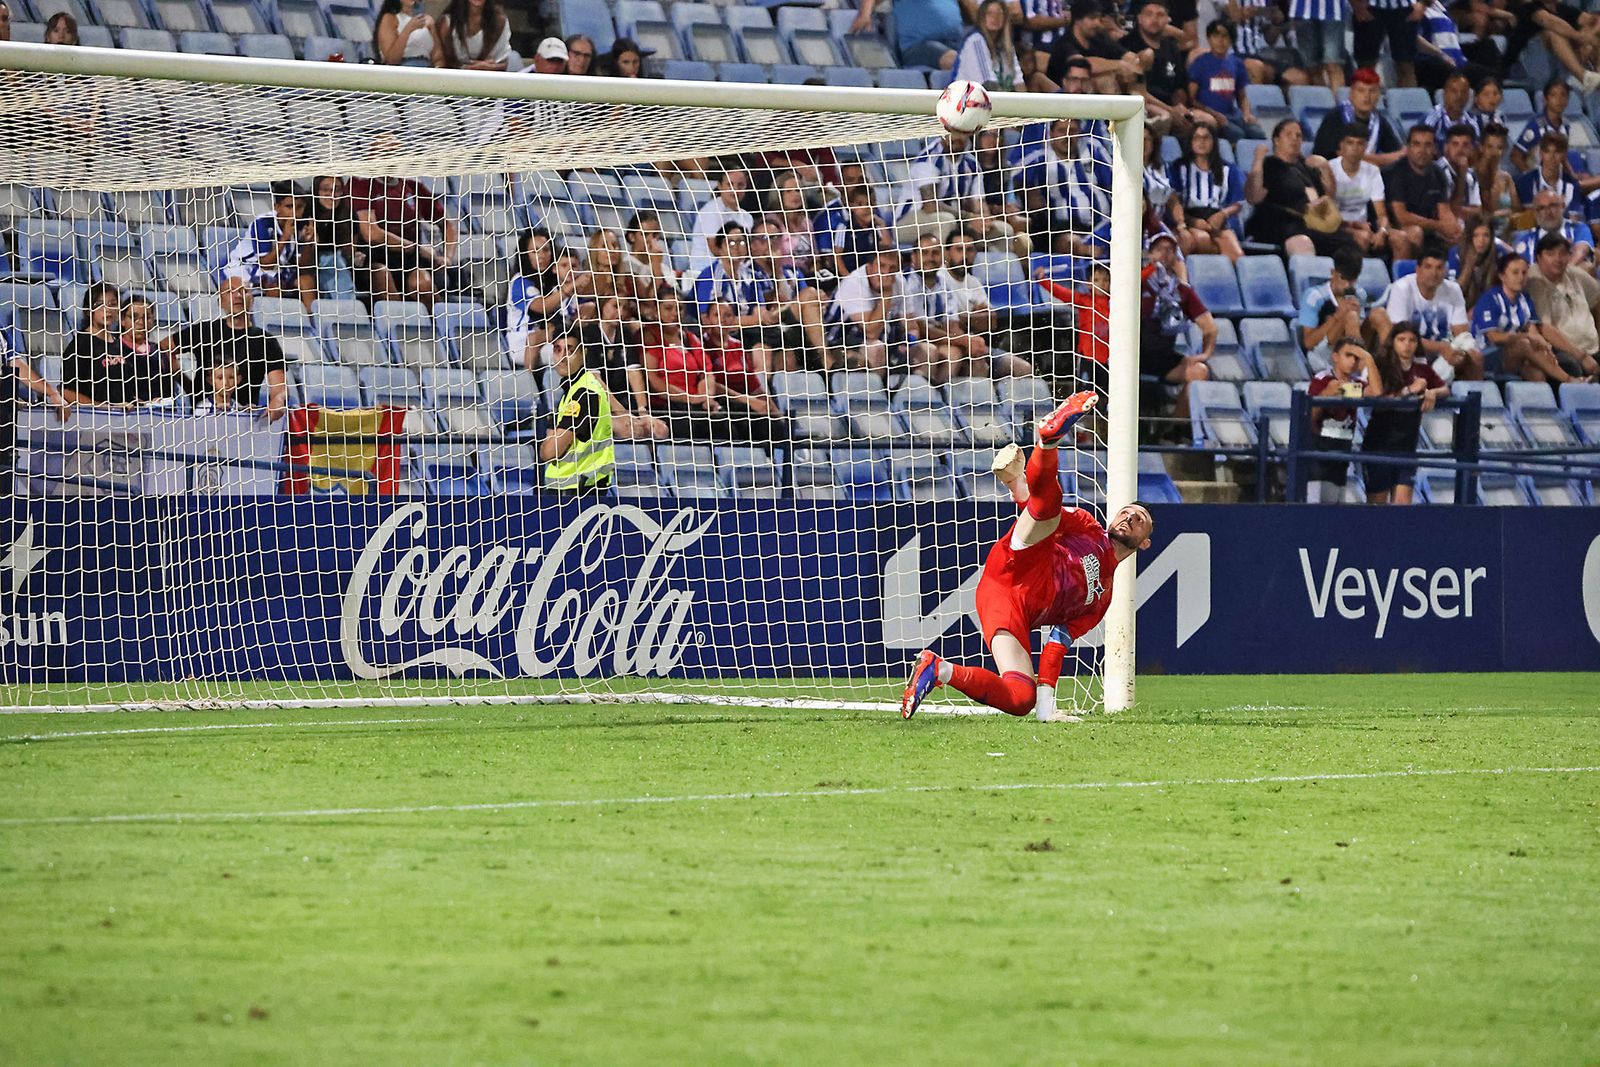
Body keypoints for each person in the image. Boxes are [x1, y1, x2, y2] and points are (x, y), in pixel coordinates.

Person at [899, 392, 1153, 720]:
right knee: (1047, 508)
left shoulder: (1102, 600)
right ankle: (1048, 441)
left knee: (1021, 699)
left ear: (1143, 543)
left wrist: (1046, 709)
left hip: (1006, 606)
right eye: (1126, 512)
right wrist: (1019, 488)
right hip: (1021, 562)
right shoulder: (1088, 527)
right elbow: (1039, 514)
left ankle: (939, 670)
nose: (1129, 517)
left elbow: (1055, 647)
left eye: (1140, 520)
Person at [164, 277, 289, 420]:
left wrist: (278, 401)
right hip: (203, 419)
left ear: (252, 300)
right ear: (220, 302)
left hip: (244, 421)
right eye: (230, 291)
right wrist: (186, 383)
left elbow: (279, 388)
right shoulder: (204, 331)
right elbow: (163, 348)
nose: (238, 295)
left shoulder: (266, 341)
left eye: (244, 291)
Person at [1473, 250, 1590, 383]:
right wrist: (1525, 337)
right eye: (1515, 273)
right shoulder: (1489, 299)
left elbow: (1533, 332)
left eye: (1524, 272)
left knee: (1537, 374)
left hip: (1516, 354)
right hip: (1487, 355)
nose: (1521, 277)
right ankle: (1570, 380)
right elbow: (1494, 337)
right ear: (1502, 276)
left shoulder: (1525, 299)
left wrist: (1545, 347)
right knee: (1524, 343)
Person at [1363, 322, 1447, 504]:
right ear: (1393, 342)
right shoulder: (1381, 366)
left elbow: (1445, 388)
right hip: (1380, 445)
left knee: (1403, 503)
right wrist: (1409, 391)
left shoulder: (1423, 369)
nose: (1407, 345)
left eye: (1412, 340)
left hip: (1407, 446)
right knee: (1377, 503)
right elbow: (1380, 398)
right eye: (1402, 340)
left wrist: (1433, 392)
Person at [349, 174, 460, 307]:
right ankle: (397, 325)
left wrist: (446, 257)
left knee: (422, 284)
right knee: (382, 276)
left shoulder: (413, 185)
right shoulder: (359, 183)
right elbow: (372, 234)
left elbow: (448, 225)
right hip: (373, 257)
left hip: (409, 258)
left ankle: (438, 325)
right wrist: (416, 248)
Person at [1245, 118, 1350, 258]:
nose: (1294, 139)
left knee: (1350, 244)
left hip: (1311, 223)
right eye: (1289, 134)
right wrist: (1258, 161)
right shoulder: (1269, 165)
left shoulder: (1307, 167)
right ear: (1276, 140)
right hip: (1278, 222)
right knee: (1302, 242)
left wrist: (1326, 169)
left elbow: (1328, 197)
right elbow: (1254, 197)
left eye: (1298, 135)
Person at [1140, 231, 1214, 424]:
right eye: (1158, 249)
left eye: (1170, 250)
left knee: (1200, 371)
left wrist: (1205, 354)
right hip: (1133, 356)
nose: (1164, 254)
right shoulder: (1136, 283)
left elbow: (1210, 328)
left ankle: (1175, 428)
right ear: (1149, 254)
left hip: (1164, 357)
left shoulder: (1182, 290)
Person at [1016, 118, 1112, 257]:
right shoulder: (1040, 158)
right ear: (1052, 134)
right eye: (1062, 130)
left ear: (1079, 132)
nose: (1068, 136)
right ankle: (1093, 254)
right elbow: (1013, 174)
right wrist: (1030, 192)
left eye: (1072, 131)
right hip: (1067, 228)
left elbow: (1115, 178)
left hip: (1105, 224)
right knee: (1070, 242)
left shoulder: (1092, 148)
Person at [540, 328, 616, 493]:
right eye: (558, 349)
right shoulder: (574, 390)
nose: (563, 357)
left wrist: (549, 443)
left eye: (570, 350)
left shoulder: (584, 393)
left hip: (576, 490)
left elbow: (549, 452)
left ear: (583, 353)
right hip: (579, 486)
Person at [1306, 337, 1381, 502]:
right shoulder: (1322, 379)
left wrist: (1368, 359)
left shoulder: (1355, 383)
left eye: (1356, 357)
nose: (1352, 361)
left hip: (1341, 456)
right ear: (1335, 356)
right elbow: (1308, 414)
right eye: (1348, 355)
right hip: (1319, 455)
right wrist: (1327, 394)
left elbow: (1376, 392)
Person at [1384, 248, 1478, 379]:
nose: (1434, 273)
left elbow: (1461, 333)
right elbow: (1400, 336)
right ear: (1418, 270)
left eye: (1439, 268)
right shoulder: (1402, 289)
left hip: (1445, 353)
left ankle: (1474, 396)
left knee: (1474, 355)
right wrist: (1441, 347)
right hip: (1412, 351)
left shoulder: (1453, 289)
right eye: (1428, 267)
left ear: (1445, 270)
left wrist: (1461, 351)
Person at [308, 175, 395, 304]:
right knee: (332, 261)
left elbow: (350, 252)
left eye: (336, 190)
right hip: (311, 263)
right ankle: (346, 307)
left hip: (342, 265)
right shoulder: (307, 212)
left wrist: (355, 256)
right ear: (316, 191)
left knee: (340, 262)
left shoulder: (348, 215)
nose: (332, 195)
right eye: (326, 189)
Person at [225, 181, 313, 308]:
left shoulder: (302, 224)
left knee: (307, 281)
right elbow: (265, 265)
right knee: (274, 284)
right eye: (289, 207)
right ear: (276, 207)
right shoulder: (262, 224)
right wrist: (285, 238)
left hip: (278, 269)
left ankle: (314, 324)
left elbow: (303, 265)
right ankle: (272, 324)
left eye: (299, 207)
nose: (294, 213)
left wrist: (309, 242)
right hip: (247, 268)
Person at [1525, 234, 1600, 380]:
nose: (1558, 259)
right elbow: (1544, 328)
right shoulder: (1534, 280)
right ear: (1538, 258)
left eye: (1563, 254)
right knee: (1571, 367)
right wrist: (1581, 356)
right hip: (1563, 351)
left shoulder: (1573, 273)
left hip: (1592, 347)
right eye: (1550, 254)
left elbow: (1597, 298)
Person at [1168, 123, 1245, 261]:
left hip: (1217, 220)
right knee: (1201, 239)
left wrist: (1223, 214)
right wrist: (1191, 221)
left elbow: (1238, 202)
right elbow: (1173, 201)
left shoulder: (1228, 169)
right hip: (1189, 218)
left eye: (1206, 138)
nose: (1201, 142)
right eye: (1196, 138)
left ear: (1214, 142)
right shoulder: (1179, 167)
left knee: (1238, 256)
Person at [1299, 247, 1390, 365]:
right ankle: (1363, 372)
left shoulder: (1359, 293)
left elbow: (1357, 334)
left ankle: (1390, 368)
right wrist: (1338, 317)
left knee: (1379, 314)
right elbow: (1308, 343)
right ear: (1333, 272)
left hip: (1353, 347)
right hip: (1323, 355)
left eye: (1352, 280)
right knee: (1350, 316)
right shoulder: (1314, 296)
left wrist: (1358, 319)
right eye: (1343, 278)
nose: (1347, 285)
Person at [1384, 124, 1461, 261]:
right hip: (1392, 227)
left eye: (1427, 145)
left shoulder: (1438, 173)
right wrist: (1438, 226)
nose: (1422, 150)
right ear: (1408, 148)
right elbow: (1401, 217)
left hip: (1427, 226)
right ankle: (1408, 279)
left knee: (1460, 235)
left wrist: (1453, 228)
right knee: (1415, 233)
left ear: (1435, 149)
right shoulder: (1396, 172)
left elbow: (1444, 211)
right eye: (1417, 144)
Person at [1129, 0, 1202, 140]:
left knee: (1204, 121)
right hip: (1145, 105)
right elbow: (1137, 92)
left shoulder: (1172, 47)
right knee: (1166, 118)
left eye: (1160, 15)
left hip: (1170, 106)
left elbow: (1179, 87)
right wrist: (1171, 111)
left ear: (1167, 19)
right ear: (1139, 18)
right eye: (1149, 14)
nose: (1154, 19)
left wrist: (1181, 108)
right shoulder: (1129, 46)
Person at [1187, 20, 1265, 142]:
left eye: (1225, 36)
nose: (1220, 41)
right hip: (1210, 114)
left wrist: (1246, 114)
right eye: (1216, 36)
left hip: (1232, 114)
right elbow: (1191, 99)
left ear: (1231, 40)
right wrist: (1214, 114)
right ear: (1209, 38)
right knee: (1237, 134)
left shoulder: (1237, 63)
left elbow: (1242, 96)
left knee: (1258, 133)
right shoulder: (1200, 63)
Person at [1312, 67, 1403, 167]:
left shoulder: (1379, 121)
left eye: (1372, 91)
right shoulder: (1334, 117)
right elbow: (1341, 156)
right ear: (1351, 93)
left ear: (1378, 95)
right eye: (1361, 90)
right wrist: (1381, 160)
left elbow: (1398, 154)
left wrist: (1368, 159)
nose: (1367, 97)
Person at [1514, 132, 1600, 233]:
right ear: (1541, 154)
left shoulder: (1571, 185)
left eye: (1557, 152)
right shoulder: (1524, 183)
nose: (1552, 157)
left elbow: (1574, 222)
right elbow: (1516, 219)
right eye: (1547, 152)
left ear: (1564, 155)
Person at [1329, 122, 1393, 253]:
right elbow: (1328, 213)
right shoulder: (1329, 169)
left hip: (1366, 227)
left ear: (1365, 147)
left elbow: (1381, 214)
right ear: (1342, 145)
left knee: (1400, 238)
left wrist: (1382, 231)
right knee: (1363, 237)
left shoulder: (1373, 171)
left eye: (1359, 143)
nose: (1354, 148)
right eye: (1350, 143)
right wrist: (1354, 226)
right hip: (1337, 227)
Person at [857, 0, 964, 69]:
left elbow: (973, 9)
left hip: (956, 40)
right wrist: (865, 14)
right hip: (919, 45)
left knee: (972, 57)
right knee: (957, 61)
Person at [688, 169, 753, 276]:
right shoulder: (711, 210)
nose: (735, 189)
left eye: (740, 185)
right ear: (720, 186)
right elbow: (715, 248)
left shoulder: (747, 217)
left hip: (737, 269)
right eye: (730, 184)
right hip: (705, 270)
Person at [951, 0, 1025, 91]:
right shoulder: (975, 41)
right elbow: (988, 85)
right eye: (989, 13)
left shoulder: (1006, 44)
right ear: (982, 17)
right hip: (965, 100)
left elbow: (1018, 81)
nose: (995, 17)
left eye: (999, 13)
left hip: (996, 100)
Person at [1513, 188, 1596, 268]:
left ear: (1563, 206)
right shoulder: (1527, 238)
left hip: (1571, 279)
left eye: (1553, 206)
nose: (1548, 212)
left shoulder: (1578, 228)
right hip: (1538, 281)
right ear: (1535, 212)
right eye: (1542, 208)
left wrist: (1561, 275)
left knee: (1586, 267)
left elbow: (1581, 252)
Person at [1351, 0, 1420, 88]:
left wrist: (1423, 4)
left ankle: (1408, 101)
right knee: (1365, 65)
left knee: (1406, 64)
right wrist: (1357, 5)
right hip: (1369, 6)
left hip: (1404, 8)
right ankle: (1364, 100)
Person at [1511, 79, 1572, 173]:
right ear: (1545, 99)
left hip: (1556, 177)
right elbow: (1516, 155)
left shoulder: (1566, 125)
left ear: (1568, 99)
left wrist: (1573, 176)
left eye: (1563, 95)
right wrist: (1530, 177)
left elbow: (1563, 157)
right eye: (1553, 95)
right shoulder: (1536, 125)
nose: (1559, 100)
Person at [1289, 0, 1348, 89]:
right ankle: (1322, 101)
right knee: (1312, 67)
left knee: (1333, 63)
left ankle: (1339, 102)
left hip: (1333, 9)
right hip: (1302, 9)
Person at [436, 0, 511, 70]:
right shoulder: (447, 22)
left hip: (488, 77)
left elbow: (504, 62)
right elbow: (441, 62)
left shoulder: (499, 21)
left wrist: (488, 67)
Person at [1473, 124, 1521, 233]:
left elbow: (1517, 208)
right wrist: (1504, 213)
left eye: (1499, 148)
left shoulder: (1506, 177)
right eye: (1490, 147)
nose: (1494, 152)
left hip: (1509, 232)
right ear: (1481, 147)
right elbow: (1482, 213)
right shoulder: (1473, 176)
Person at [1451, 218, 1506, 310]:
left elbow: (1505, 290)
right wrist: (1468, 267)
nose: (1481, 240)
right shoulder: (1456, 253)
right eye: (1476, 235)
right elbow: (1452, 294)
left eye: (1486, 235)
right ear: (1469, 237)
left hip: (1491, 306)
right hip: (1460, 307)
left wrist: (1478, 309)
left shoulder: (1499, 252)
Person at [1435, 123, 1483, 224]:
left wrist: (1461, 211)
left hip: (1467, 230)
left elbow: (1478, 211)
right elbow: (1451, 212)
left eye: (1465, 145)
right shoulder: (1438, 171)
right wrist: (1461, 176)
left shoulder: (1471, 175)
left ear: (1471, 149)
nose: (1460, 150)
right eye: (1455, 144)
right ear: (1446, 147)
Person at [1422, 73, 1481, 149]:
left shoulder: (1472, 123)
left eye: (1463, 92)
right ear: (1444, 94)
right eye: (1454, 91)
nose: (1459, 96)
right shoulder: (1431, 118)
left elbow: (1474, 152)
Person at [373, 0, 436, 67]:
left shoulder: (428, 20)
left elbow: (438, 55)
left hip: (427, 69)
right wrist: (408, 29)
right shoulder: (389, 18)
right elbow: (391, 59)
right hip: (402, 69)